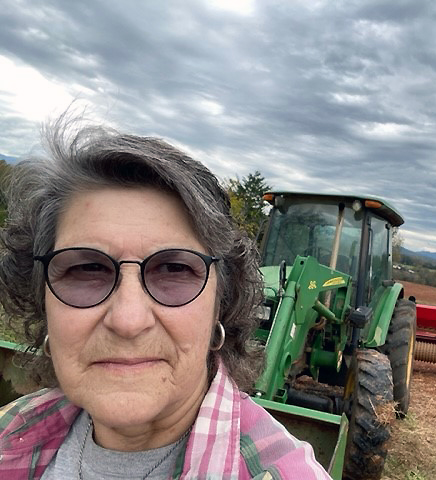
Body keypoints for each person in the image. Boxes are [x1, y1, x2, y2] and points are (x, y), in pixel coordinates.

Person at [0, 117, 331, 479]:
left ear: (221, 303)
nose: (128, 321)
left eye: (174, 270)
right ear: (43, 301)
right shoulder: (11, 430)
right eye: (86, 270)